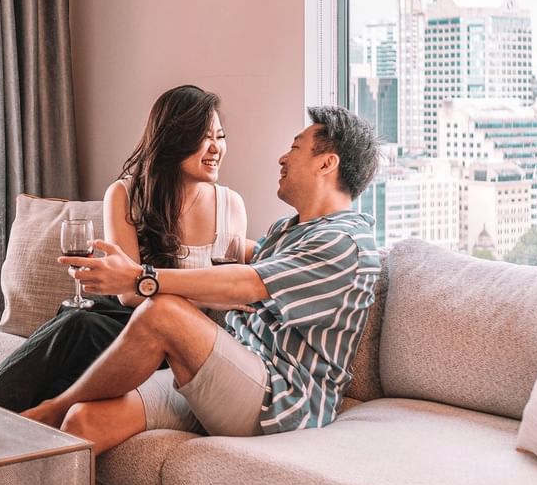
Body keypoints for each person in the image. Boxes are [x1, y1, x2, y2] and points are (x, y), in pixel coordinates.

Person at [23, 106, 381, 456]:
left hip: (279, 398)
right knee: (84, 421)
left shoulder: (342, 240)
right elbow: (259, 264)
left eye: (295, 147)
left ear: (326, 163)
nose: (282, 158)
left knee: (162, 311)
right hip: (231, 372)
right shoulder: (289, 230)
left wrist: (140, 277)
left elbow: (248, 284)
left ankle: (51, 408)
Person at [0, 85, 248, 411]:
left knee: (79, 325)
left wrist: (179, 292)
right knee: (79, 324)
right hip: (124, 319)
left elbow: (230, 289)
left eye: (220, 136)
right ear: (176, 138)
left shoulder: (231, 205)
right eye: (205, 137)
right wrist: (204, 292)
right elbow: (127, 296)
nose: (216, 148)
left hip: (177, 339)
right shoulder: (126, 195)